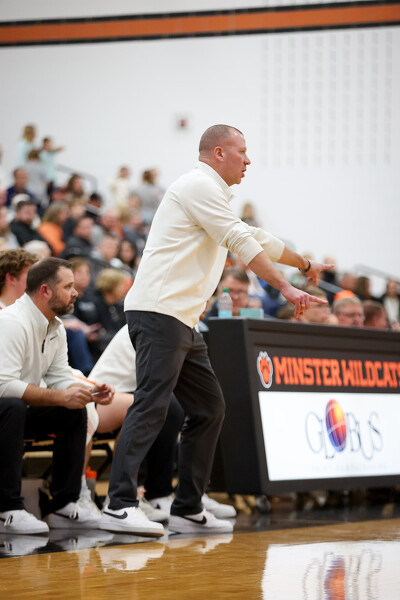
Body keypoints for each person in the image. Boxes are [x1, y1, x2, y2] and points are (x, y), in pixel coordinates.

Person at [99, 124, 332, 538]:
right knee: (151, 404)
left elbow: (258, 237)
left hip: (182, 319)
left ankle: (187, 507)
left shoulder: (214, 196)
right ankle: (118, 504)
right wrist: (284, 286)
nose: (248, 160)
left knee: (209, 408)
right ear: (219, 153)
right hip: (159, 312)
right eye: (242, 151)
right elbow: (242, 240)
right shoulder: (197, 185)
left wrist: (306, 265)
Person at [0, 257, 114, 534]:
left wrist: (90, 392)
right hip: (7, 410)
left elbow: (60, 378)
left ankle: (64, 505)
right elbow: (3, 386)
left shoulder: (56, 326)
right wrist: (59, 397)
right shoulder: (12, 322)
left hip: (18, 412)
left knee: (73, 411)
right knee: (14, 406)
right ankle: (7, 509)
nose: (76, 293)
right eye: (68, 286)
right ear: (45, 291)